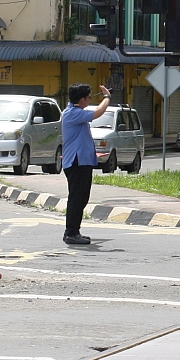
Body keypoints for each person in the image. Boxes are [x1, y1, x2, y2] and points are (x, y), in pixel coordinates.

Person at [60, 83, 110, 245]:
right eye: (88, 97)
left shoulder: (76, 112)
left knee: (81, 198)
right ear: (82, 99)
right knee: (77, 198)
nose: (89, 99)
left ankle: (74, 230)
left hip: (82, 161)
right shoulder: (72, 113)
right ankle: (71, 232)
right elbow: (99, 112)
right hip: (77, 162)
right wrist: (107, 97)